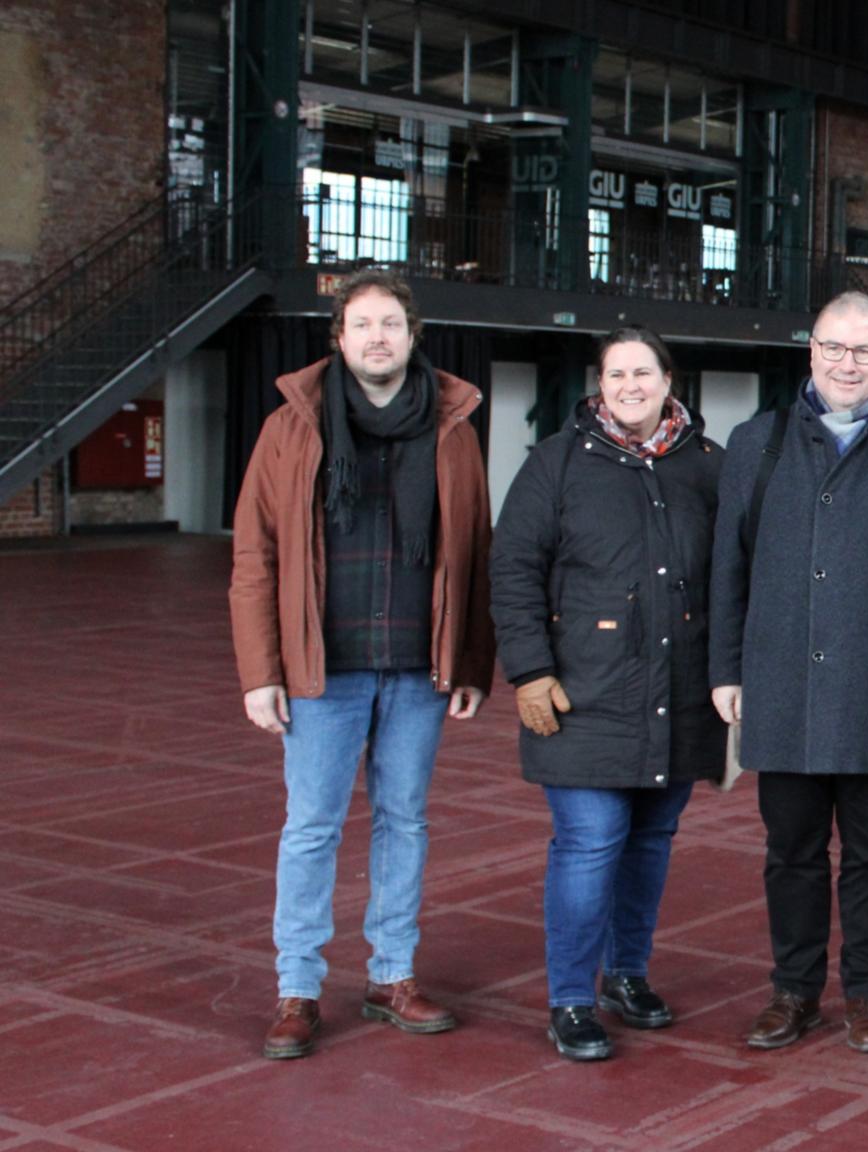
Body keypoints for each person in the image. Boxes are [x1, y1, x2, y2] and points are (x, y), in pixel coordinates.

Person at [229, 268, 494, 1059]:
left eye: (392, 324)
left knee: (403, 821)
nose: (378, 337)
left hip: (416, 665)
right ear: (338, 339)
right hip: (324, 665)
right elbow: (256, 554)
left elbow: (476, 551)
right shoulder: (291, 428)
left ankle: (392, 976)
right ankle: (298, 989)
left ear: (414, 337)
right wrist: (259, 670)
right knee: (310, 828)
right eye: (363, 324)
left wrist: (471, 661)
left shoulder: (452, 428)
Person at [709, 291, 868, 1055]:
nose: (848, 363)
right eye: (834, 347)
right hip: (779, 681)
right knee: (790, 851)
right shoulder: (755, 442)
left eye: (865, 351)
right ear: (809, 350)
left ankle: (867, 993)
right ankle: (793, 992)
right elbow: (729, 564)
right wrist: (726, 667)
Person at [490, 326, 726, 1062]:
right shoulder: (555, 465)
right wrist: (529, 670)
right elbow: (513, 570)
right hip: (582, 697)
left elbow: (737, 580)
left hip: (680, 697)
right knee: (590, 843)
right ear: (599, 383)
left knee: (651, 841)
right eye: (616, 373)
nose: (630, 385)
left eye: (643, 372)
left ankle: (627, 973)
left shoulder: (710, 469)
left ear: (668, 380)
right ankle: (570, 1000)